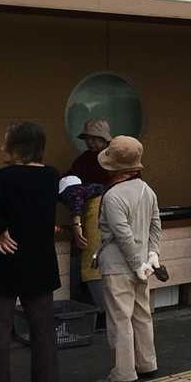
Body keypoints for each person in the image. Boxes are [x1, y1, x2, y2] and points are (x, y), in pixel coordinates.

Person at [0, 122, 61, 382]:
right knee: (43, 327)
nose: (2, 147)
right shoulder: (51, 176)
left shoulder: (2, 177)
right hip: (39, 260)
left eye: (6, 142)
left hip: (5, 259)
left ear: (17, 147)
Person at [94, 136, 164, 382]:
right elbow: (156, 225)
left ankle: (123, 372)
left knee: (120, 319)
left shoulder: (112, 196)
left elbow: (122, 235)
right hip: (144, 263)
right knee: (142, 314)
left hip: (118, 265)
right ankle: (147, 363)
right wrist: (151, 256)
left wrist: (136, 264)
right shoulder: (147, 190)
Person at [64, 118, 111, 309]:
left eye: (95, 139)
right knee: (92, 262)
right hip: (90, 216)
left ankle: (107, 310)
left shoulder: (115, 157)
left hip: (112, 215)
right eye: (87, 139)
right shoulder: (84, 160)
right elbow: (70, 183)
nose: (90, 142)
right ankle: (99, 310)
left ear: (104, 139)